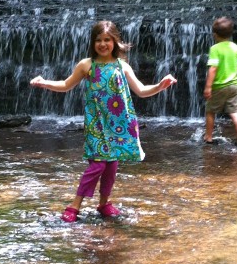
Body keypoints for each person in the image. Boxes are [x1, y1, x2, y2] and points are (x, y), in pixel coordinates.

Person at [30, 20, 177, 222]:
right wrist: (44, 82)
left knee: (111, 165)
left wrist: (161, 85)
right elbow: (65, 85)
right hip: (97, 123)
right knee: (98, 164)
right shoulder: (87, 65)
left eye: (107, 40)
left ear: (115, 42)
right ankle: (74, 206)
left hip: (119, 122)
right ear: (93, 42)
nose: (102, 44)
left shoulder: (122, 66)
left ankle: (104, 203)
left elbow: (141, 91)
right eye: (98, 40)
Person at [203, 16, 237, 147]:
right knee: (235, 112)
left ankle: (209, 137)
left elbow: (213, 68)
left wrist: (208, 87)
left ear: (215, 35)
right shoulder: (235, 47)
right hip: (234, 85)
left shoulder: (215, 49)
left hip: (219, 86)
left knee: (210, 111)